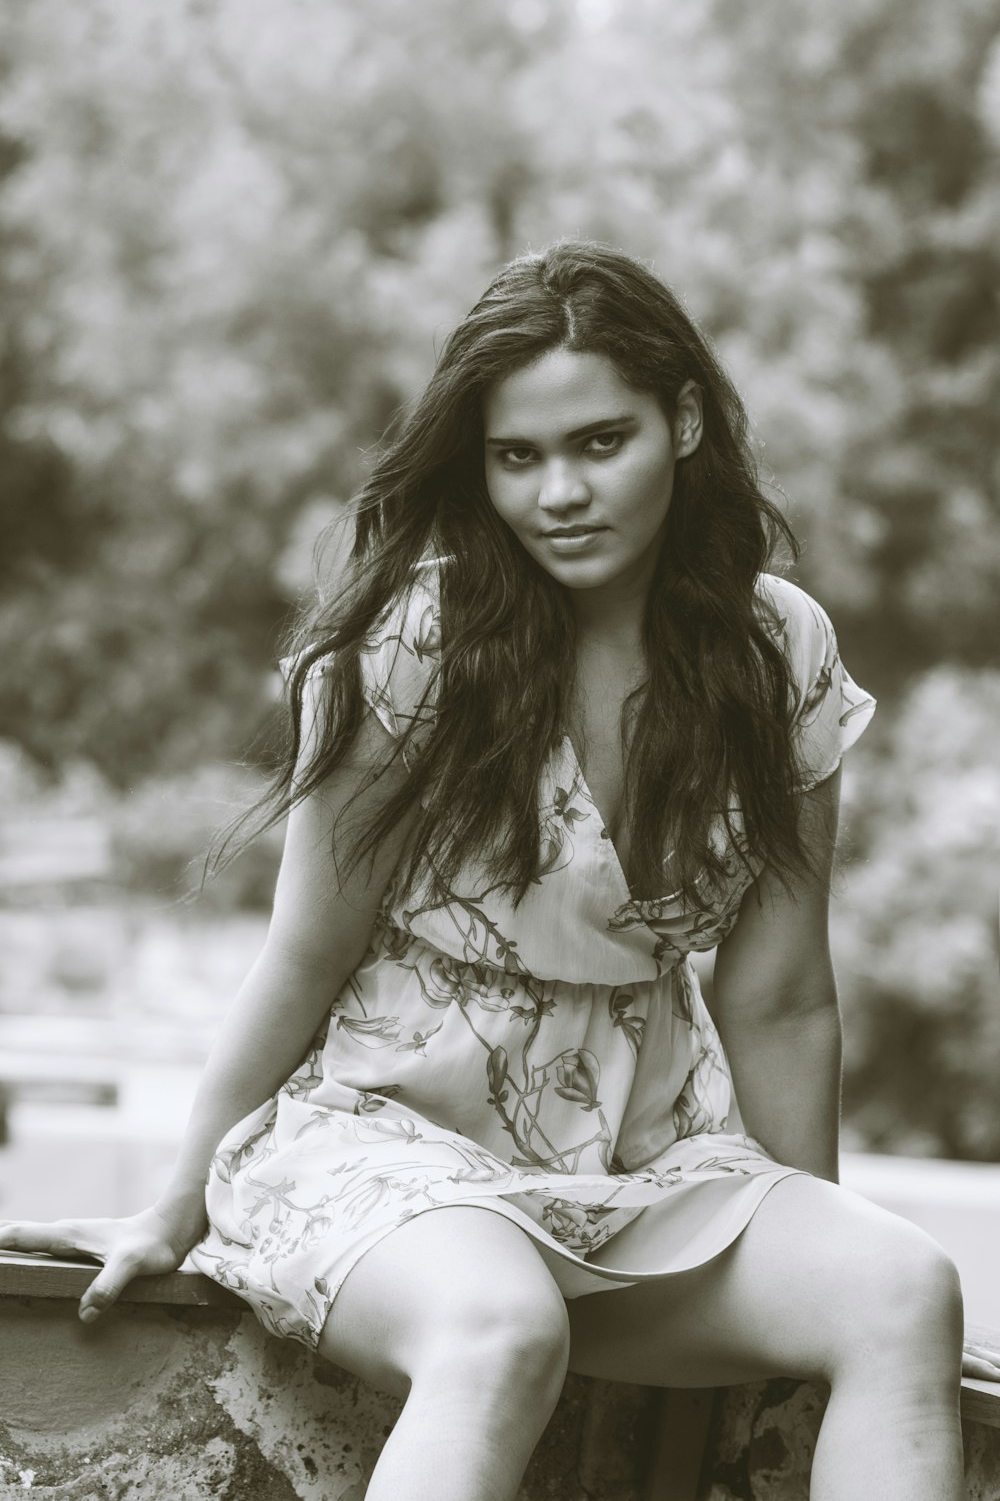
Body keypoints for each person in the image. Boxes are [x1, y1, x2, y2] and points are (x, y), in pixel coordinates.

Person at [1, 240, 998, 1500]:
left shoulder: (776, 650)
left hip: (644, 1160)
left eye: (599, 442)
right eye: (516, 456)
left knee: (899, 1287)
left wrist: (805, 1258)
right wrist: (173, 1203)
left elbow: (782, 994)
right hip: (391, 1143)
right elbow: (303, 950)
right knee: (500, 1328)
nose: (558, 494)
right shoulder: (417, 642)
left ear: (683, 421)